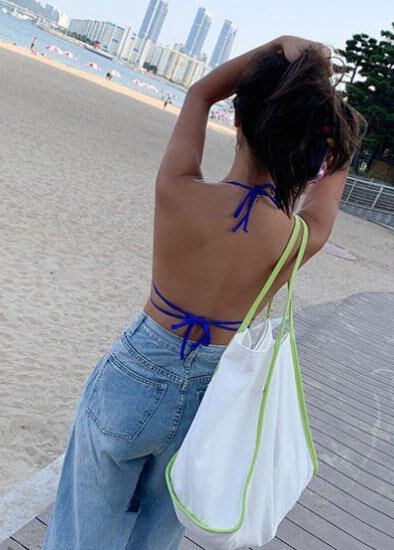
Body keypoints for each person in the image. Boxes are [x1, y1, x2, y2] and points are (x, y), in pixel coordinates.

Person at [44, 34, 363, 550]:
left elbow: (198, 93)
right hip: (216, 393)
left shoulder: (178, 188)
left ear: (237, 120)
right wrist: (327, 120)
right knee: (158, 534)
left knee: (82, 530)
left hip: (139, 368)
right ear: (309, 146)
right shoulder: (297, 238)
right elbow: (339, 161)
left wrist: (277, 49)